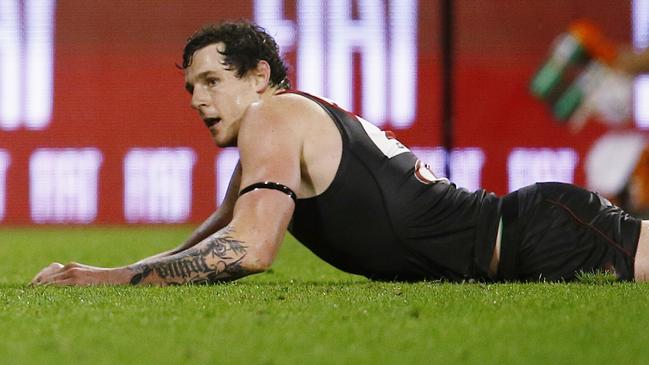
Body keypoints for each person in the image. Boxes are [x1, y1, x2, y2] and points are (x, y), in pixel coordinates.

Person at [31, 20, 649, 286]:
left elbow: (248, 250)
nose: (198, 99)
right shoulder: (277, 130)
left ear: (258, 77)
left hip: (540, 236)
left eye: (212, 81)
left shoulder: (271, 118)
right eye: (191, 87)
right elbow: (213, 236)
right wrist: (106, 277)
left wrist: (100, 278)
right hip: (527, 236)